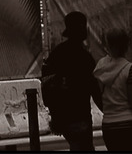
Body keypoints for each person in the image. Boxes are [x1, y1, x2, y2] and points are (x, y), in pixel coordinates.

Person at [39, 10, 100, 152]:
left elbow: (47, 85)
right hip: (80, 113)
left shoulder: (57, 53)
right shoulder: (84, 56)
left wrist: (55, 114)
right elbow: (93, 87)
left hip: (64, 115)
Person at [94, 27, 132, 152]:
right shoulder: (129, 68)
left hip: (108, 125)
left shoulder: (100, 67)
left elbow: (98, 93)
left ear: (107, 44)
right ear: (126, 45)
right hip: (128, 124)